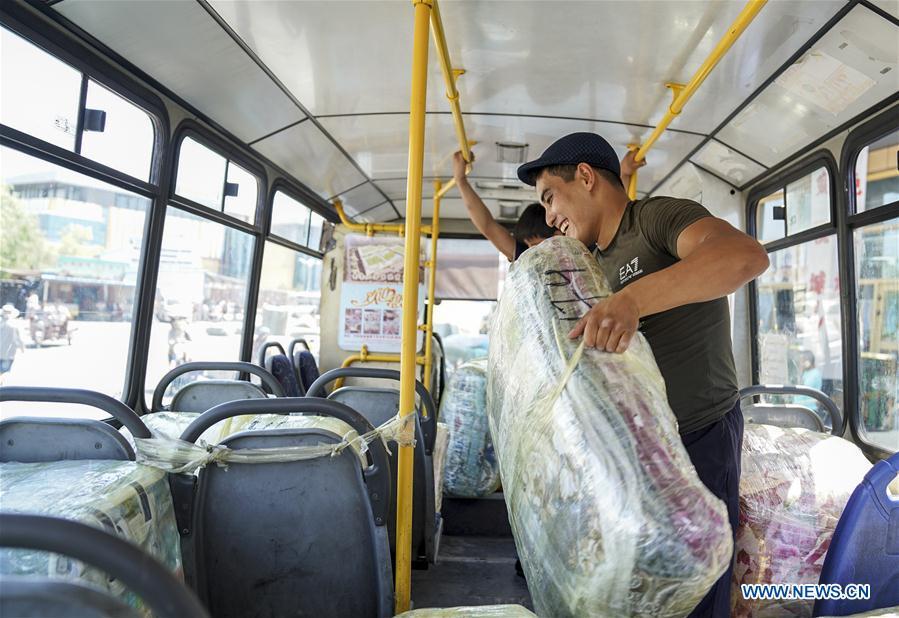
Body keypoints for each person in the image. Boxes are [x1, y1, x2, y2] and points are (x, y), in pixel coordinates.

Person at [516, 132, 769, 618]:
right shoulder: (590, 265)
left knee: (696, 593)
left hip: (698, 438)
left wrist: (633, 301)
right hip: (635, 456)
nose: (548, 217)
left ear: (585, 176)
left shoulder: (655, 219)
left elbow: (743, 257)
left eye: (550, 197)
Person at [452, 149, 645, 262]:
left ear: (558, 233)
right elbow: (488, 227)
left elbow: (611, 209)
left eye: (536, 244)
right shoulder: (529, 259)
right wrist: (460, 181)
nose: (533, 252)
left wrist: (625, 173)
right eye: (528, 245)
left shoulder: (582, 246)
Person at [0, 304, 25, 381]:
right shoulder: (15, 325)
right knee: (5, 372)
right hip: (8, 353)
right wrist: (22, 348)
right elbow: (20, 339)